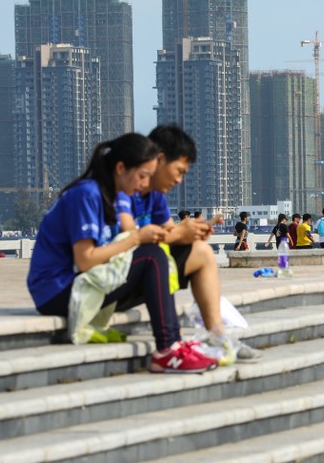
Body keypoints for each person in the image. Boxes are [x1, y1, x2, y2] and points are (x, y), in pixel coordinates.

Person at [27, 132, 217, 374]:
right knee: (151, 255)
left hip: (85, 284)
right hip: (57, 291)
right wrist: (137, 237)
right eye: (142, 176)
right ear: (120, 168)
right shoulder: (87, 194)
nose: (144, 184)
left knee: (159, 255)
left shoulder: (112, 194)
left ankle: (182, 342)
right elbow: (85, 260)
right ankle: (168, 348)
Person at [117, 124, 260, 365]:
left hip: (139, 272)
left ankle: (217, 334)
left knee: (202, 252)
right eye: (179, 171)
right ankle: (169, 345)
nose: (179, 180)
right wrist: (178, 233)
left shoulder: (156, 197)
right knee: (154, 254)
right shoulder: (123, 188)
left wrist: (192, 233)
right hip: (117, 274)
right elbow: (129, 239)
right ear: (159, 159)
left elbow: (170, 233)